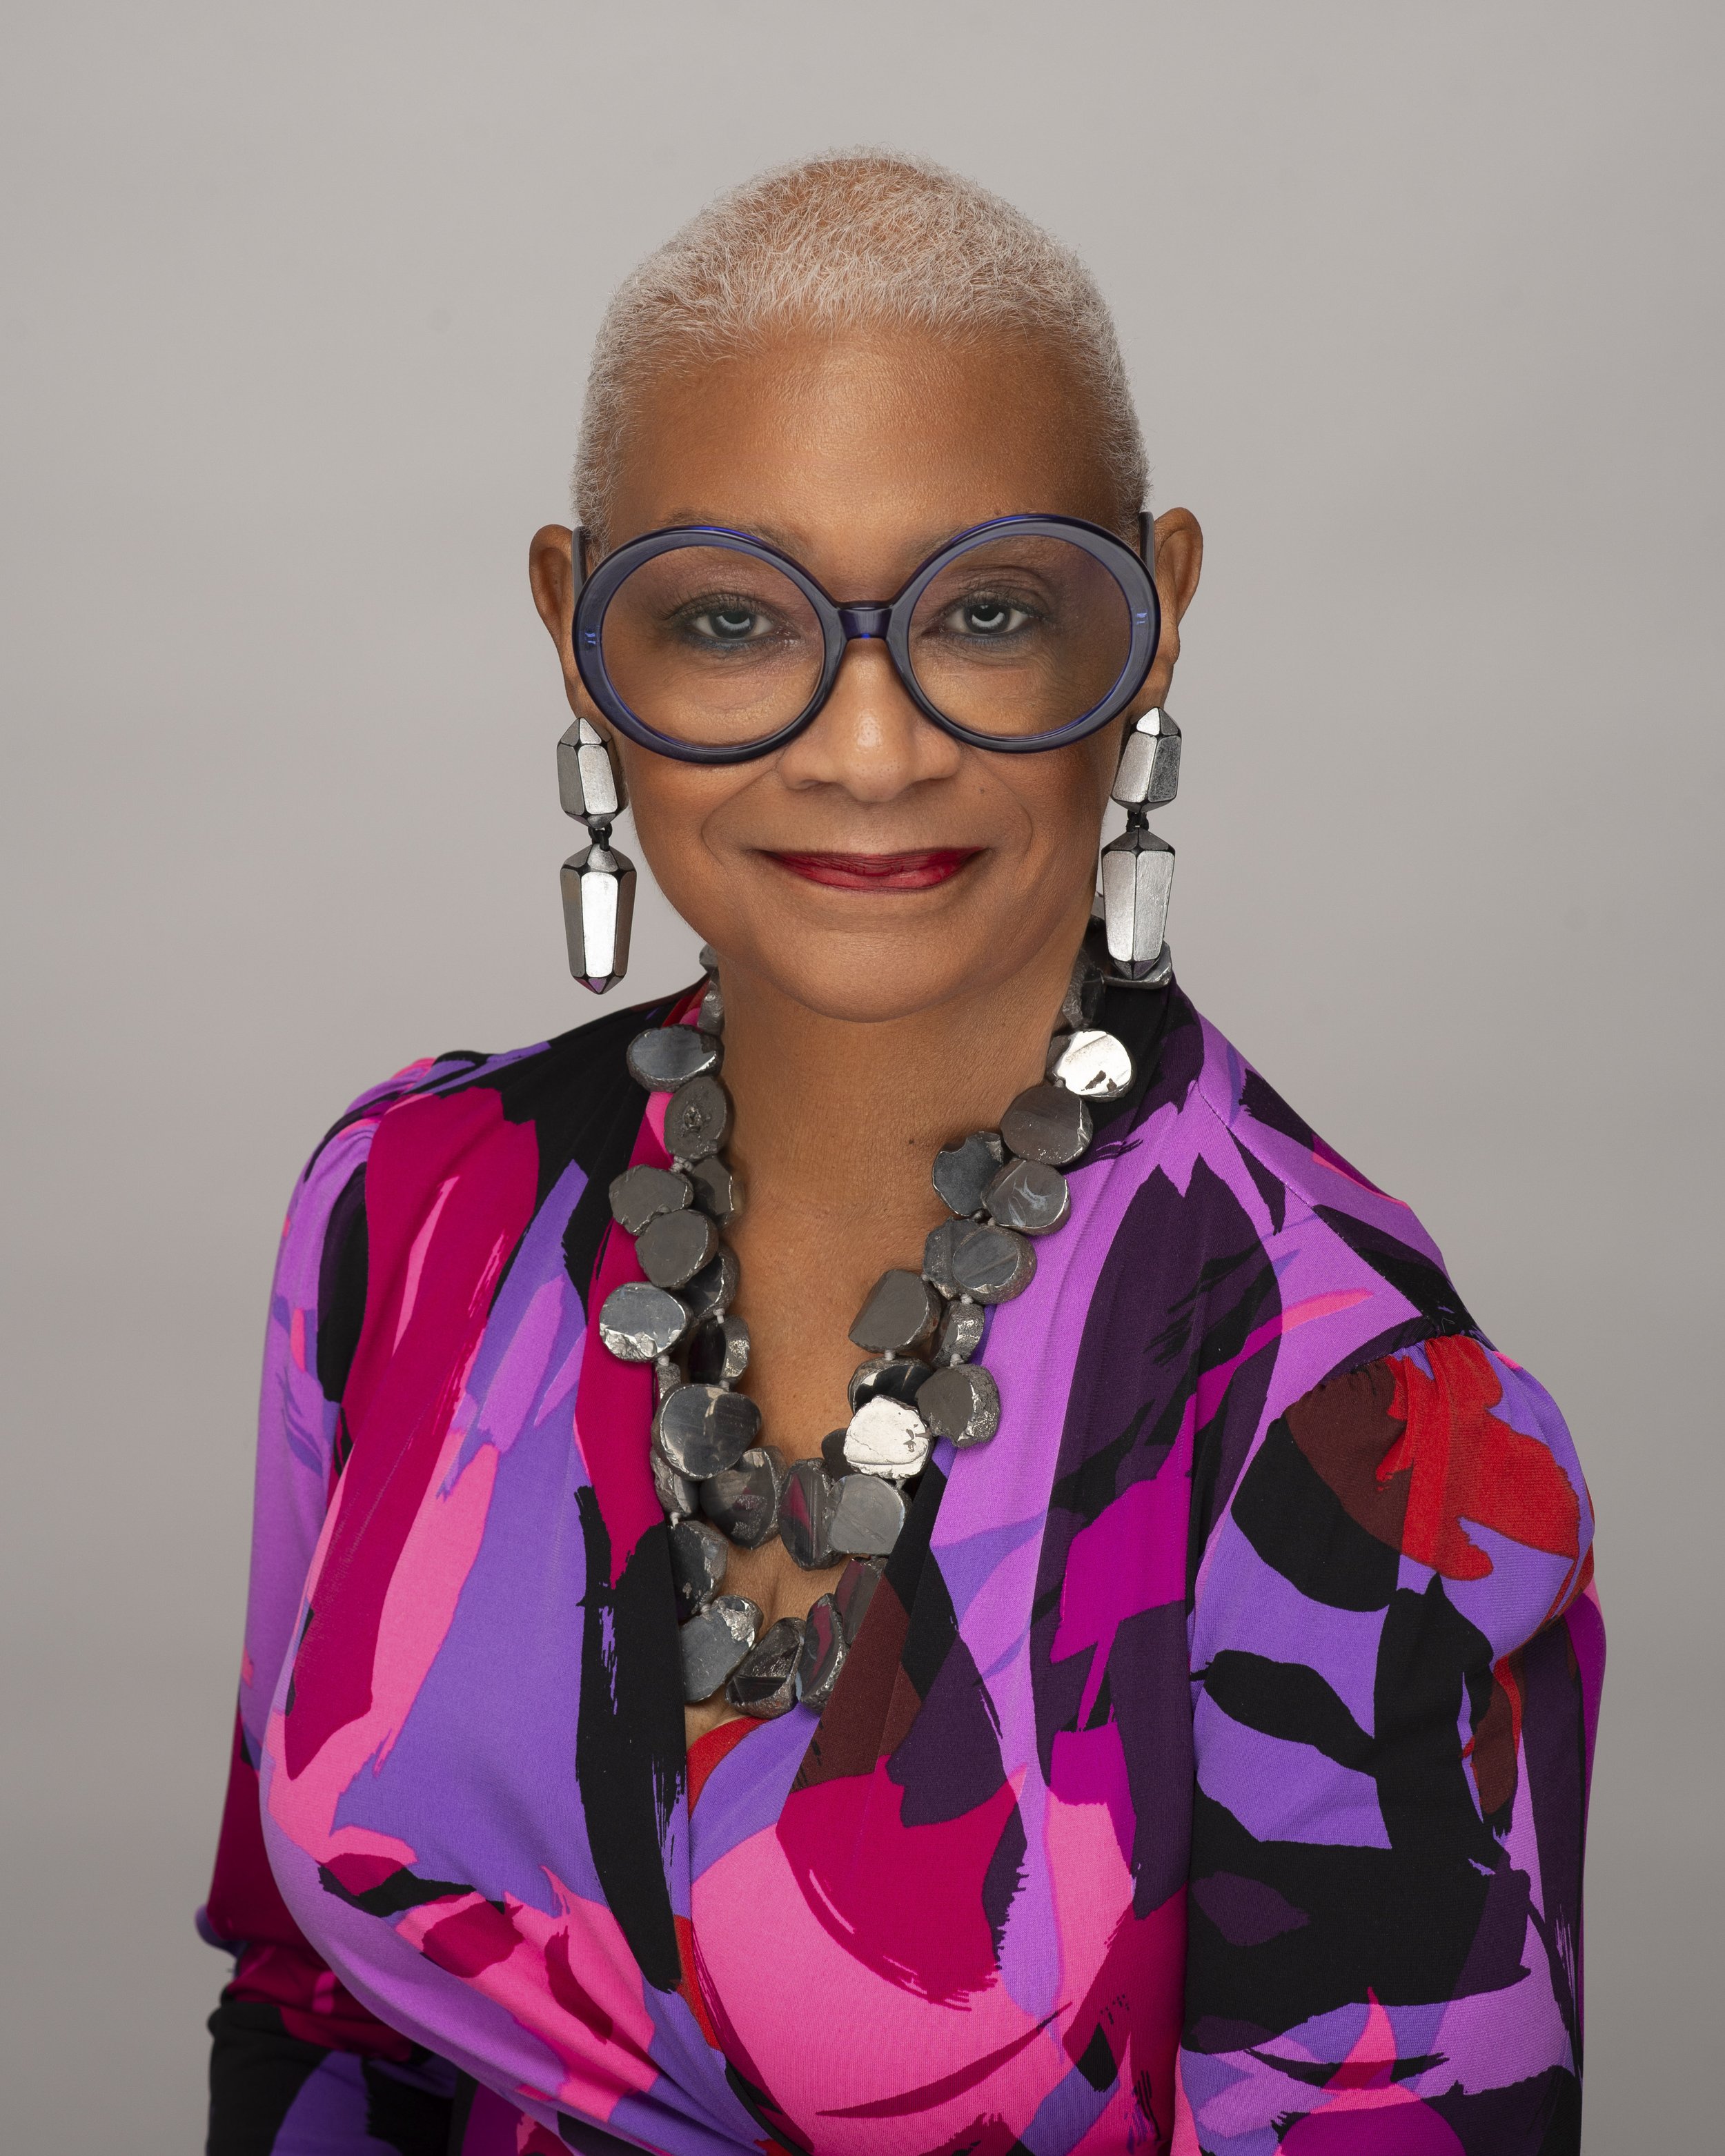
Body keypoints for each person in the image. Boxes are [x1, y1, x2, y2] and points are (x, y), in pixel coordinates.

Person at [199, 151, 1601, 2156]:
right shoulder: (410, 1212)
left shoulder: (1346, 1421)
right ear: (576, 631)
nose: (868, 747)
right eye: (725, 618)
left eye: (995, 607)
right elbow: (309, 2004)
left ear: (1158, 613)